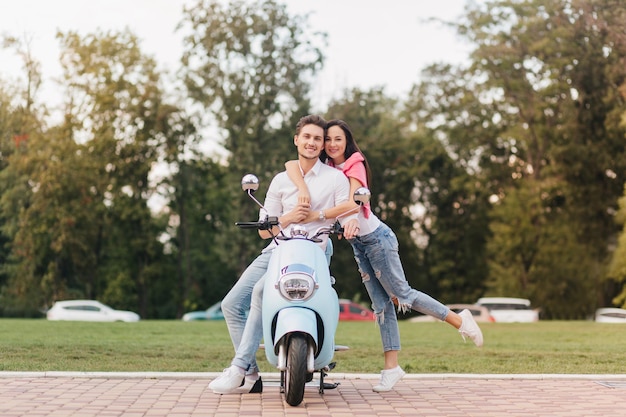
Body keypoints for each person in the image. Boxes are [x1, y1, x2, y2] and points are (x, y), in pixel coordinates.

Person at [284, 119, 483, 392]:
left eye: (337, 139)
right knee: (381, 305)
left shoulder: (354, 162)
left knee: (402, 294)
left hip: (377, 239)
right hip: (360, 245)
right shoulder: (327, 168)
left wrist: (340, 217)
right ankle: (392, 368)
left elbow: (355, 199)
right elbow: (291, 165)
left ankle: (460, 320)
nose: (331, 144)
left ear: (347, 142)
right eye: (327, 140)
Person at [209, 115, 359, 395]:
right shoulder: (280, 180)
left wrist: (339, 220)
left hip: (312, 251)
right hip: (277, 248)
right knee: (231, 304)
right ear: (296, 140)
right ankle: (252, 375)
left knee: (261, 291)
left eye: (318, 138)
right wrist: (290, 217)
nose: (312, 143)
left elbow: (349, 210)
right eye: (307, 137)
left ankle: (239, 368)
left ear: (322, 144)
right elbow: (264, 232)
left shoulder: (335, 179)